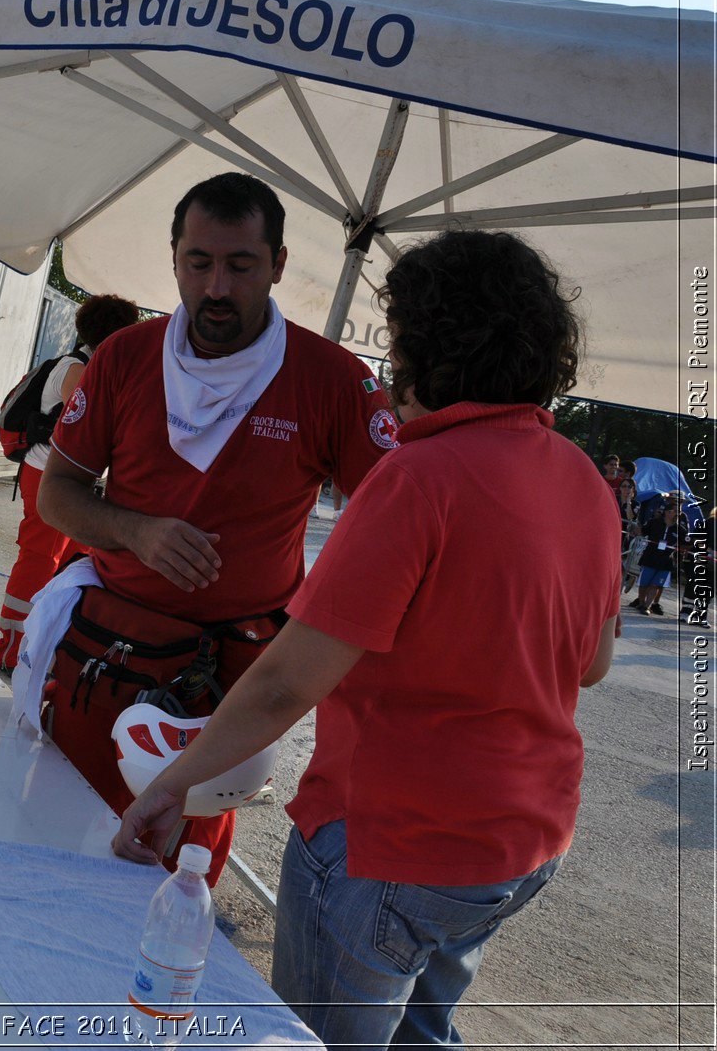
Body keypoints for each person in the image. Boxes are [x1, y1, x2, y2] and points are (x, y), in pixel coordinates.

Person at [112, 229, 619, 1047]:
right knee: (423, 1032)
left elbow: (287, 681)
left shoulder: (419, 478)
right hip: (521, 844)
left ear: (425, 346)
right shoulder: (586, 481)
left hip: (394, 843)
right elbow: (592, 664)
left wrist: (172, 785)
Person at [24, 173, 398, 886]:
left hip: (224, 691)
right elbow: (58, 498)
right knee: (57, 852)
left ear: (279, 265)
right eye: (199, 263)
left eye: (240, 265)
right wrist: (136, 531)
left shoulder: (333, 381)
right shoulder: (126, 357)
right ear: (174, 258)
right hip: (104, 660)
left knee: (172, 883)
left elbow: (397, 519)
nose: (216, 287)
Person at [0, 293, 140, 673]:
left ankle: (50, 649)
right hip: (49, 478)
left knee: (78, 564)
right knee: (41, 559)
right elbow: (98, 426)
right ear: (114, 335)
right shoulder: (77, 370)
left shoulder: (91, 366)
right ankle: (11, 650)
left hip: (73, 484)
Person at [630, 496, 686, 615]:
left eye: (678, 512)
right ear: (667, 512)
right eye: (675, 511)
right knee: (644, 583)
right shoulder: (654, 522)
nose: (677, 514)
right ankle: (640, 603)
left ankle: (647, 606)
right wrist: (635, 528)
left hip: (666, 561)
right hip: (650, 557)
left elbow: (688, 543)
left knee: (656, 584)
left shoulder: (680, 529)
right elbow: (642, 531)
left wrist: (683, 550)